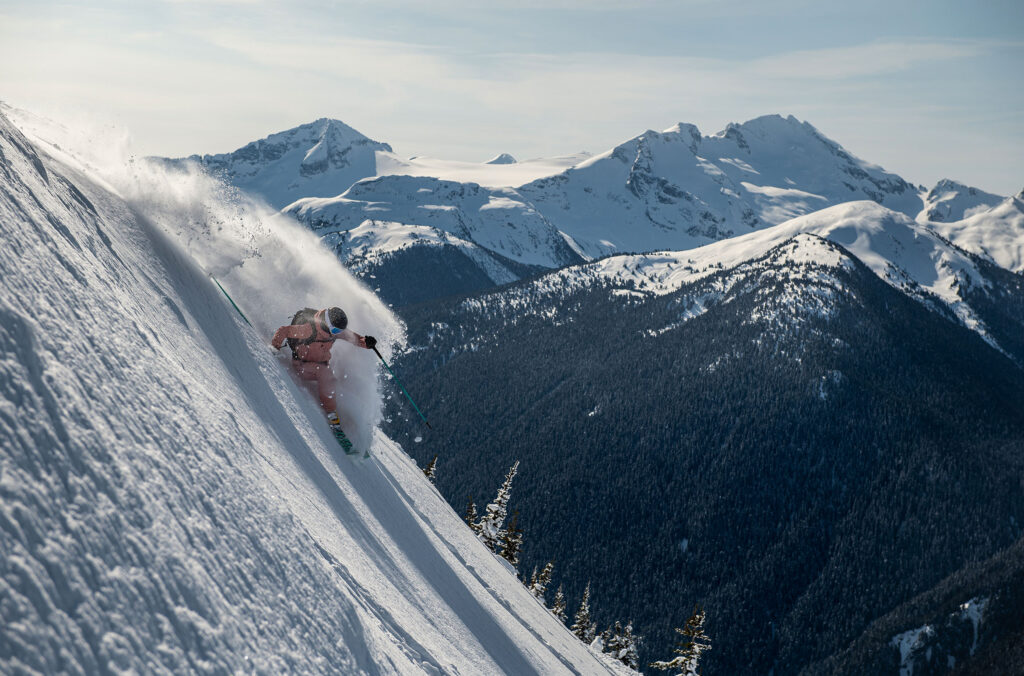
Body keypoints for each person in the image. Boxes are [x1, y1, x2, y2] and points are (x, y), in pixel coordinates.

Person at [271, 306, 376, 433]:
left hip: (320, 364)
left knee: (335, 380)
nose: (338, 333)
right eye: (336, 330)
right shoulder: (308, 330)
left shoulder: (333, 331)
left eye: (339, 330)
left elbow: (355, 339)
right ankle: (332, 415)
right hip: (302, 366)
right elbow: (284, 331)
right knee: (326, 375)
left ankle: (341, 414)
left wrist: (366, 342)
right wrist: (274, 349)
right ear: (327, 324)